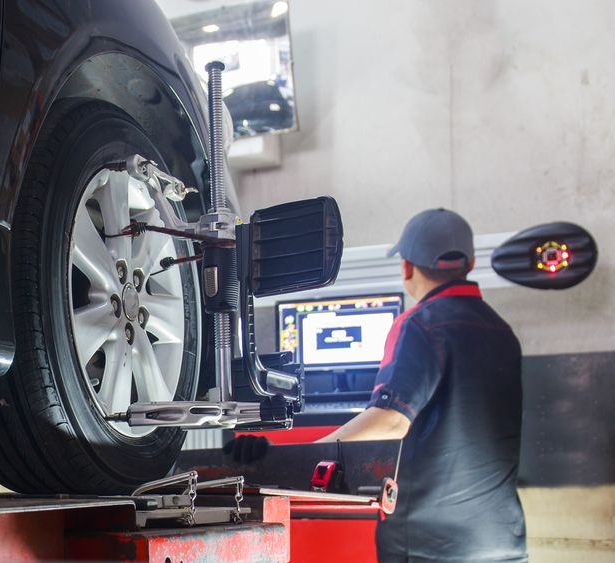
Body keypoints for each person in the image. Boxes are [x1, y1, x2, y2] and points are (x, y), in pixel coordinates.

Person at [226, 208, 527, 562]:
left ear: (407, 267)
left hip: (431, 546)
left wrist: (302, 457)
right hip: (502, 540)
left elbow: (392, 420)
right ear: (471, 262)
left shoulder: (420, 325)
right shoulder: (502, 332)